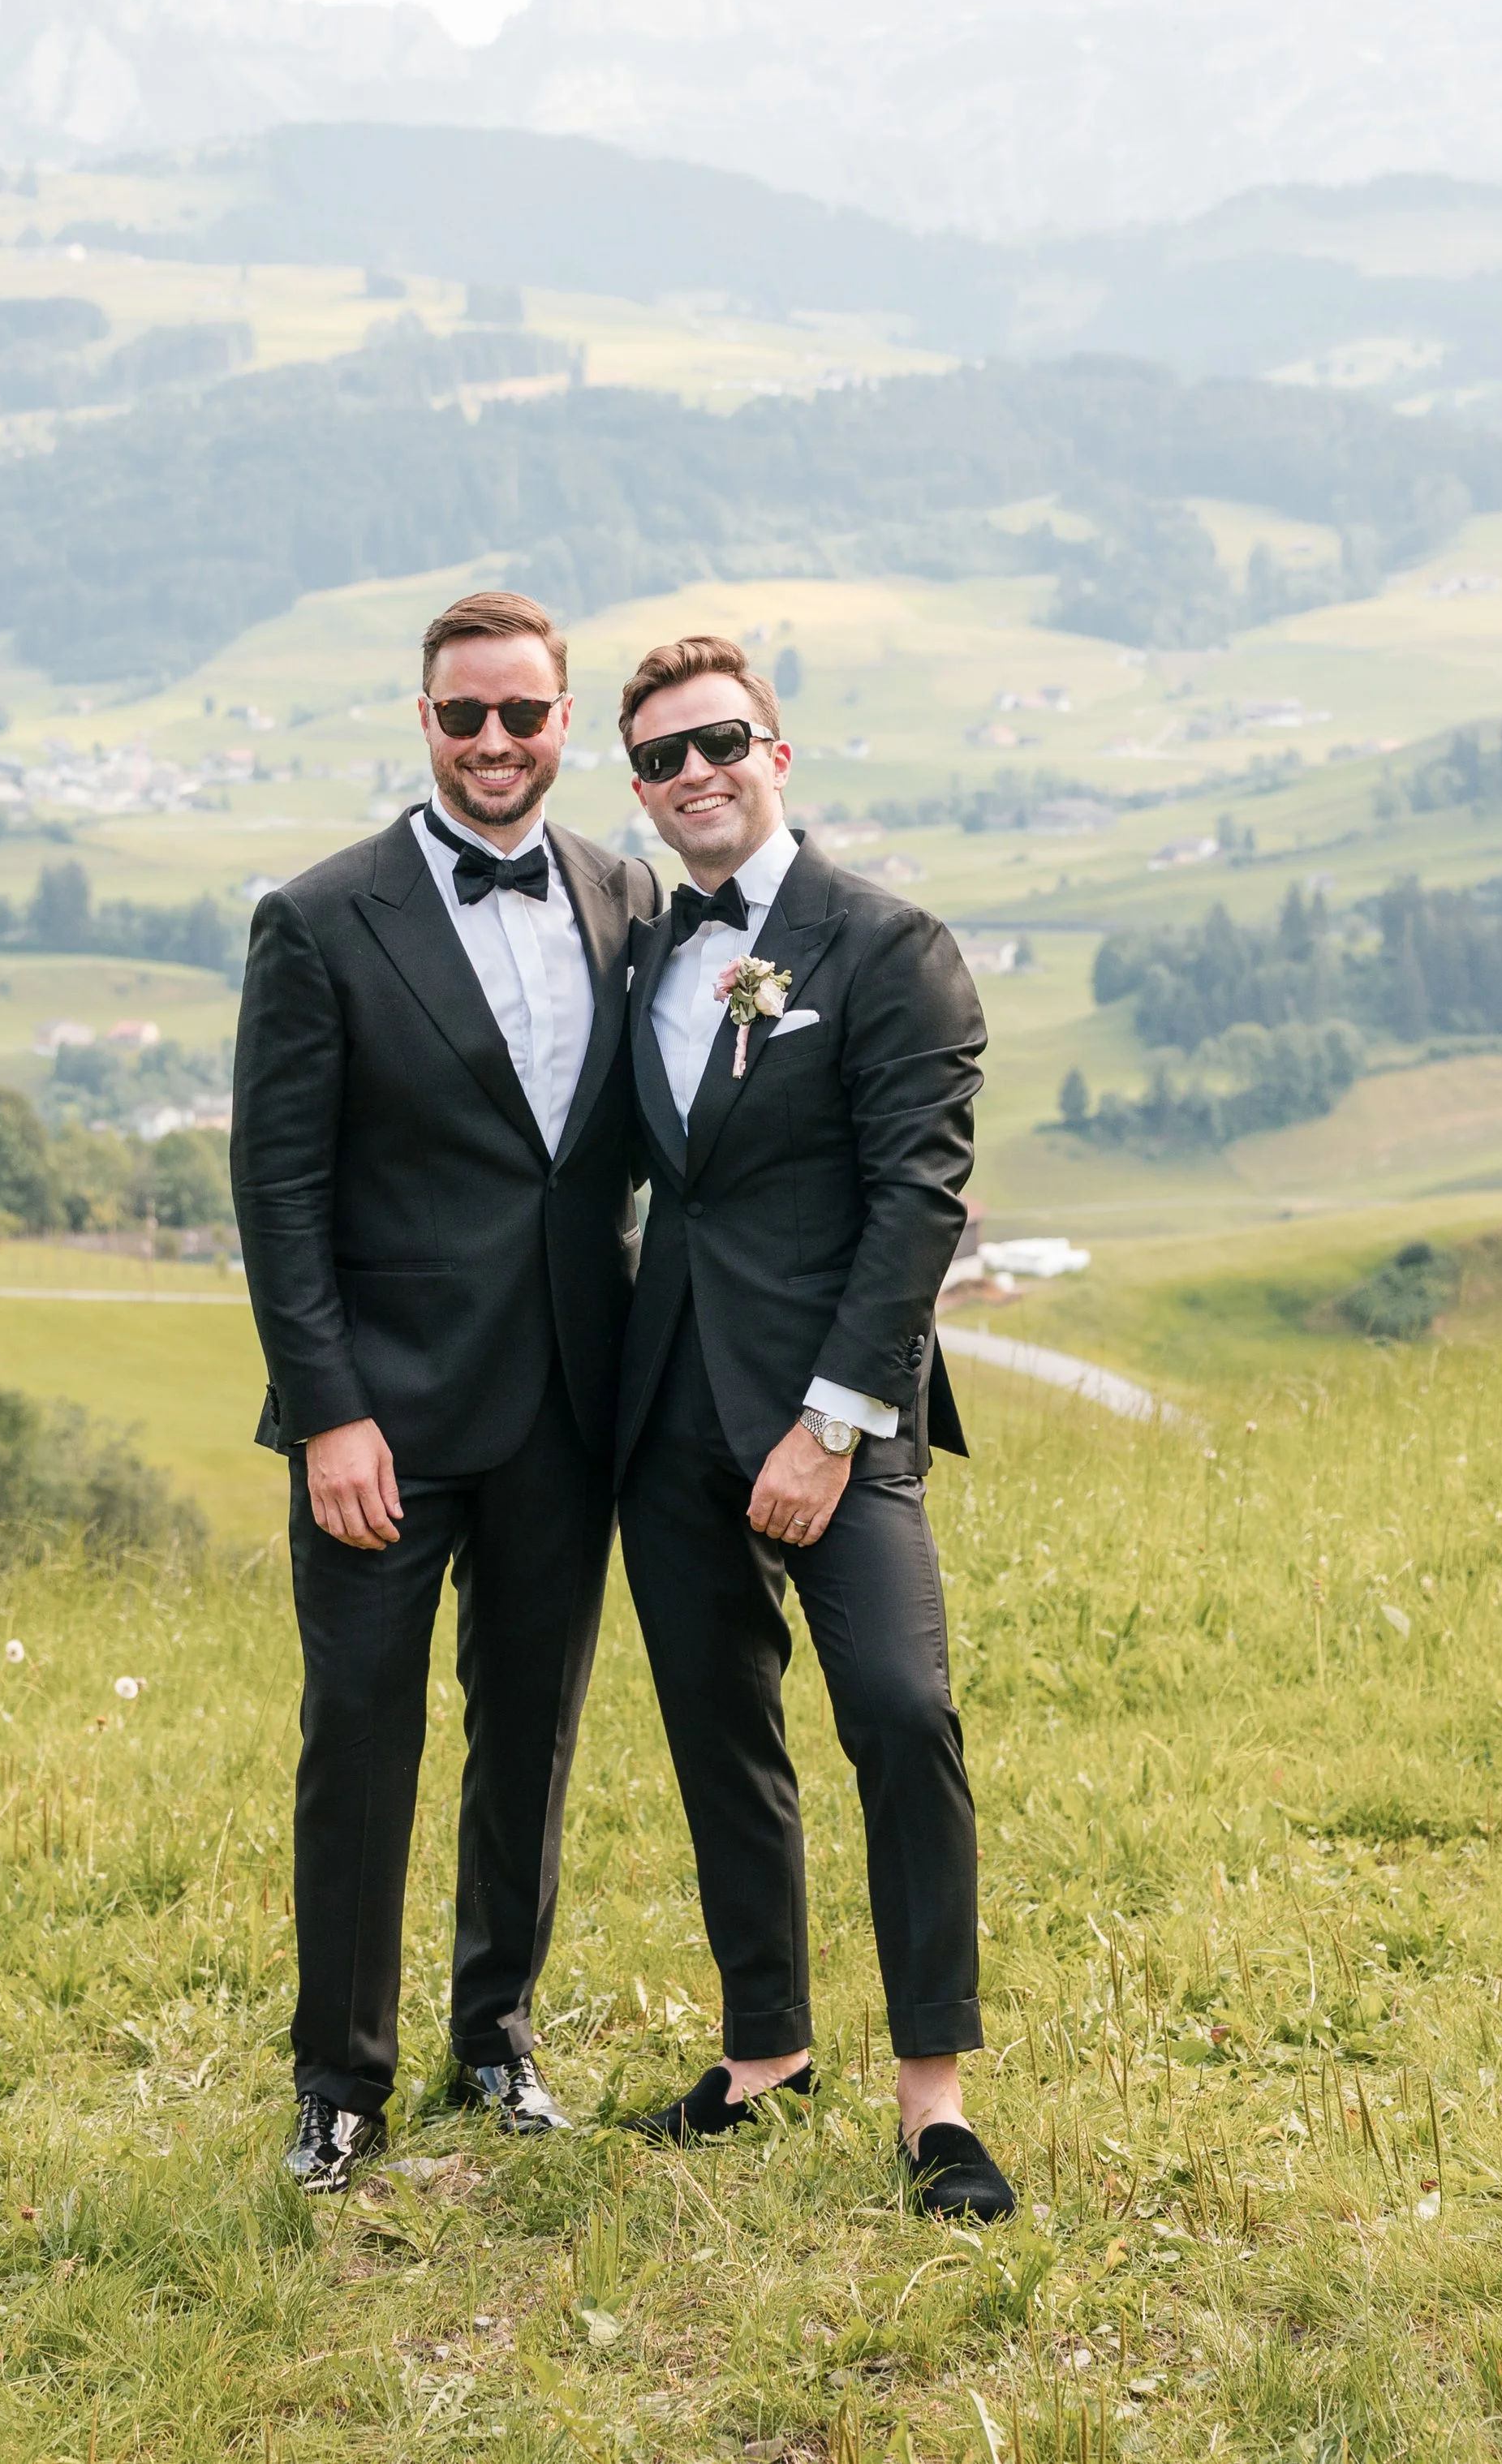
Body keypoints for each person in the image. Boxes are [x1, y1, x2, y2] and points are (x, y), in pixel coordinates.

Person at [230, 588, 662, 2191]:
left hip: (567, 1400)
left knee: (528, 1732)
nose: (493, 741)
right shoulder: (320, 915)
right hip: (382, 1422)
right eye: (462, 715)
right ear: (422, 722)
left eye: (523, 715)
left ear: (566, 726)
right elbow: (274, 1188)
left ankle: (497, 2040)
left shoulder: (624, 896)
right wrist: (327, 1407)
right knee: (359, 1731)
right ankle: (340, 2080)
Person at [610, 631, 1014, 2223]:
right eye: (659, 756)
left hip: (830, 1415)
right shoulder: (644, 952)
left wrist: (828, 1425)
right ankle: (764, 2046)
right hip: (662, 1415)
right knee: (720, 1735)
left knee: (900, 1714)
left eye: (718, 741)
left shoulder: (885, 943)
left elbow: (918, 1200)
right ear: (637, 789)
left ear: (777, 752)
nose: (692, 773)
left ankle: (935, 2103)